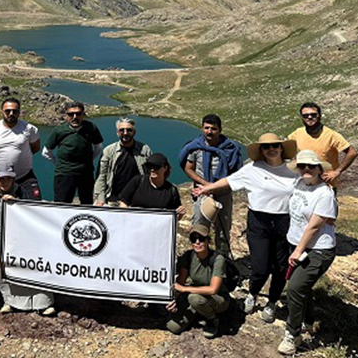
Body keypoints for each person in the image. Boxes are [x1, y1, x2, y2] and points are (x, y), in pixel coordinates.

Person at [193, 133, 298, 323]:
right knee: (260, 266)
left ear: (282, 148)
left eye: (275, 145)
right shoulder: (252, 169)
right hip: (259, 220)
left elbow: (310, 184)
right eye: (266, 147)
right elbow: (229, 181)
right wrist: (208, 188)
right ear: (261, 150)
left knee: (281, 267)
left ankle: (272, 302)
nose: (271, 149)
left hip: (285, 221)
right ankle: (253, 294)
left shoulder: (294, 170)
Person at [278, 150, 338, 355]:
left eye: (311, 166)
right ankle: (308, 321)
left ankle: (292, 335)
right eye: (302, 166)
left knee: (294, 288)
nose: (306, 170)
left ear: (320, 169)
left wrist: (297, 251)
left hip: (317, 249)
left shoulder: (325, 193)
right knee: (304, 288)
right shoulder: (299, 183)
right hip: (295, 244)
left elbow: (314, 227)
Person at [0, 162, 56, 315]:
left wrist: (18, 202)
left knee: (33, 268)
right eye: (1, 179)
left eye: (8, 179)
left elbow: (33, 214)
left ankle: (42, 303)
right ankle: (9, 301)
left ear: (13, 179)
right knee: (2, 270)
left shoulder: (23, 192)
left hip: (25, 242)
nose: (4, 182)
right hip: (2, 242)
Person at [179, 114, 244, 253]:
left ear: (220, 130)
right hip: (202, 193)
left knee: (223, 231)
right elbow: (188, 168)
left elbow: (235, 175)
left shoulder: (230, 149)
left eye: (213, 129)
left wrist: (214, 187)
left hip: (223, 194)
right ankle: (201, 260)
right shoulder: (196, 147)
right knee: (199, 228)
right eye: (206, 128)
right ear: (202, 128)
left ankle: (222, 261)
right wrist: (205, 185)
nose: (209, 131)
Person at [166, 224, 230, 339]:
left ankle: (212, 319)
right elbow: (180, 282)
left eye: (201, 239)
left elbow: (213, 289)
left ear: (208, 241)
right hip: (196, 295)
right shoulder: (188, 256)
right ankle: (200, 312)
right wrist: (174, 300)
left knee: (194, 298)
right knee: (173, 327)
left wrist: (185, 289)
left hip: (218, 298)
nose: (197, 242)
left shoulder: (217, 259)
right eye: (193, 239)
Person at [43, 102, 104, 204]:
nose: (74, 117)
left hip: (85, 173)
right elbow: (46, 152)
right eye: (71, 114)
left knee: (87, 203)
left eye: (78, 114)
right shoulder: (59, 130)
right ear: (66, 116)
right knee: (62, 204)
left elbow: (98, 147)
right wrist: (58, 163)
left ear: (83, 114)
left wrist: (88, 160)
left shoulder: (91, 127)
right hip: (64, 174)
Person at [0, 97, 42, 200]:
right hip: (2, 180)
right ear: (2, 112)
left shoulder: (30, 129)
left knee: (34, 205)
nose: (11, 114)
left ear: (19, 113)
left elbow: (35, 148)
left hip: (25, 176)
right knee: (2, 210)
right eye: (7, 111)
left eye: (15, 111)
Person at [287, 102, 358, 187]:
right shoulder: (297, 134)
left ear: (319, 115)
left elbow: (352, 152)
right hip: (304, 182)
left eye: (313, 114)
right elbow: (287, 150)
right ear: (302, 118)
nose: (309, 117)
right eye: (306, 115)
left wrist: (337, 171)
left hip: (326, 183)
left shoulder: (331, 135)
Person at [94, 118, 152, 207]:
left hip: (137, 200)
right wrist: (100, 199)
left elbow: (152, 173)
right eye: (122, 130)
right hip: (113, 200)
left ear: (134, 132)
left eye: (129, 130)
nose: (125, 133)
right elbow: (102, 176)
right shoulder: (109, 151)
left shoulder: (144, 149)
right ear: (117, 133)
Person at [118, 153, 185, 218]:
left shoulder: (171, 190)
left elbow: (175, 215)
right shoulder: (138, 181)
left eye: (156, 167)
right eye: (150, 167)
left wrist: (180, 213)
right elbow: (123, 202)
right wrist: (126, 217)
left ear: (165, 168)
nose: (152, 170)